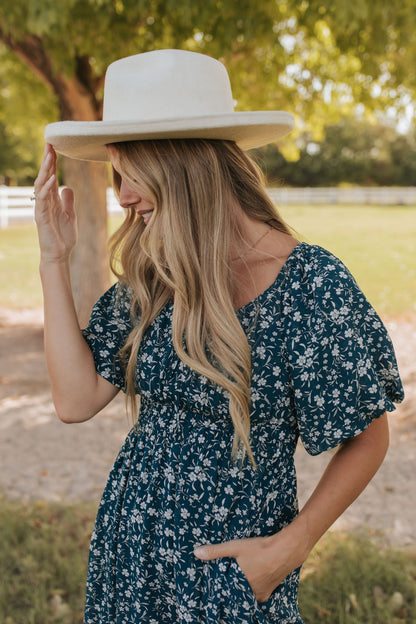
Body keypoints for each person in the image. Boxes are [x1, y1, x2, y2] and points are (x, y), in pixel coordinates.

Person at [34, 50, 404, 624]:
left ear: (183, 164)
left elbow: (367, 437)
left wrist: (289, 549)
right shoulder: (158, 278)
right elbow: (74, 400)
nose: (123, 196)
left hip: (230, 578)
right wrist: (53, 261)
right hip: (131, 561)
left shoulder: (310, 284)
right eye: (116, 175)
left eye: (131, 172)